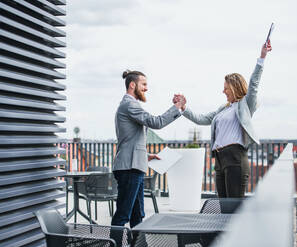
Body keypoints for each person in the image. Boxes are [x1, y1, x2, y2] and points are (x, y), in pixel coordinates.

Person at [174, 41, 272, 198]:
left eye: (226, 88)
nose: (223, 91)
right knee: (223, 206)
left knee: (232, 208)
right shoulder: (223, 109)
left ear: (234, 87)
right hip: (219, 159)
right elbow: (201, 119)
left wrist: (262, 57)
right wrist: (183, 107)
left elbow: (253, 84)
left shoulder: (245, 105)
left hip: (235, 158)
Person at [111, 70, 186, 227]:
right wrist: (176, 107)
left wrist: (145, 155)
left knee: (137, 215)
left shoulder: (129, 105)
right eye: (143, 84)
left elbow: (130, 140)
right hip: (129, 167)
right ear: (132, 85)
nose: (146, 88)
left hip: (134, 165)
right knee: (123, 214)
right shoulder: (130, 104)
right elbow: (155, 122)